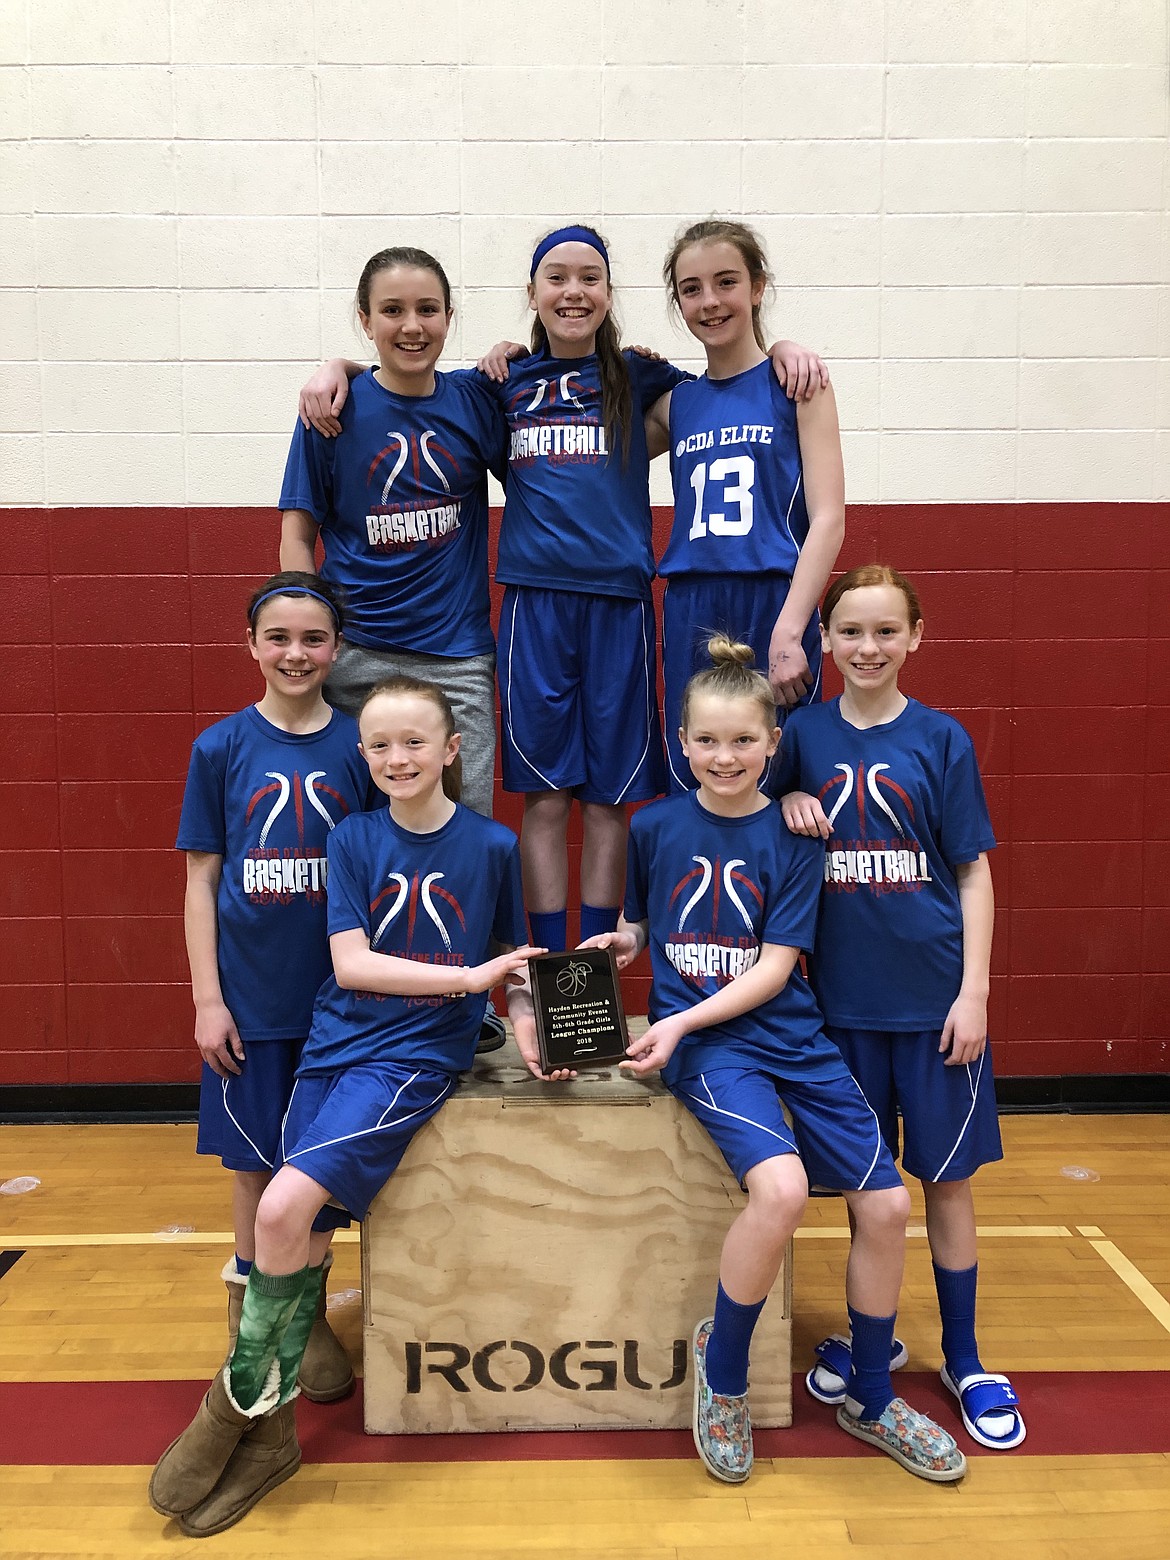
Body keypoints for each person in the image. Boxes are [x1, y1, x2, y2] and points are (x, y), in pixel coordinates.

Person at [299, 224, 828, 955]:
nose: (573, 291)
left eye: (590, 278)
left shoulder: (643, 379)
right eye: (556, 277)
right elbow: (409, 387)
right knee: (544, 799)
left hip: (622, 607)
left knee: (610, 801)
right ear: (532, 294)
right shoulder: (500, 386)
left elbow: (729, 387)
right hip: (533, 607)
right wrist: (340, 366)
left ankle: (597, 978)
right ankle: (550, 974)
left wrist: (788, 349)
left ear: (610, 295)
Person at [151, 677, 557, 1536]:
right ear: (363, 758)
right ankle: (272, 1439)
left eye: (415, 742)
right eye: (379, 746)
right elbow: (352, 966)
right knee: (301, 1229)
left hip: (412, 1056)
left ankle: (232, 1409)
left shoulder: (490, 844)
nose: (397, 759)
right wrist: (470, 982)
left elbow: (507, 963)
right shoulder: (352, 838)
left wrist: (522, 1023)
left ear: (453, 750)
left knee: (285, 1207)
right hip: (335, 1046)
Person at [583, 637, 965, 1485]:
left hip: (787, 1034)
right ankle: (723, 1379)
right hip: (714, 1049)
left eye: (744, 742)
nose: (726, 757)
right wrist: (625, 942)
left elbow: (776, 967)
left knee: (887, 1203)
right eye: (708, 741)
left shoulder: (796, 838)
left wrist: (675, 1024)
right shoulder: (652, 826)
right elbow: (647, 923)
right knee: (784, 1189)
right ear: (682, 744)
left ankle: (870, 1392)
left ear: (771, 746)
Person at [775, 564, 1024, 1452]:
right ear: (825, 642)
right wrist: (788, 797)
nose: (868, 648)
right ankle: (870, 1335)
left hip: (934, 1005)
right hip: (838, 1011)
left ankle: (964, 1355)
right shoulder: (799, 734)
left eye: (886, 632)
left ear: (916, 637)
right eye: (850, 632)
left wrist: (975, 991)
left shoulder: (941, 739)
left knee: (946, 1185)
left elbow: (972, 871)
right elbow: (751, 821)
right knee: (868, 1193)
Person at [176, 571, 372, 1404]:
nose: (296, 653)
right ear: (251, 646)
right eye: (279, 638)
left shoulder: (365, 744)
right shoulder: (219, 747)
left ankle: (308, 1315)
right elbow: (199, 881)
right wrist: (207, 1000)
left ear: (337, 649)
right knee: (256, 1168)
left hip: (340, 1005)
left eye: (314, 638)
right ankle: (253, 1330)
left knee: (317, 1168)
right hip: (252, 1003)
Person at [279, 246, 506, 821]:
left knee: (464, 837)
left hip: (457, 662)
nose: (412, 326)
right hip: (356, 658)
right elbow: (298, 538)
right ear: (365, 319)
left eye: (428, 309)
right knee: (345, 836)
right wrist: (309, 643)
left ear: (449, 318)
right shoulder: (331, 411)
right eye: (392, 310)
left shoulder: (474, 401)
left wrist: (513, 351)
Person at [644, 219, 845, 793]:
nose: (709, 301)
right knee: (698, 770)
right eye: (691, 288)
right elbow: (590, 428)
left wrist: (790, 629)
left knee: (778, 776)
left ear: (757, 287)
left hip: (773, 597)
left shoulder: (798, 384)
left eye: (726, 282)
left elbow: (828, 518)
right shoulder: (675, 404)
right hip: (692, 599)